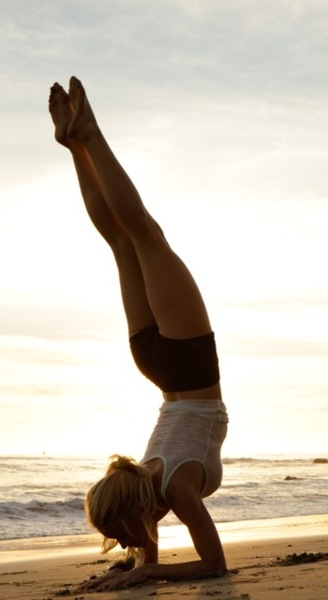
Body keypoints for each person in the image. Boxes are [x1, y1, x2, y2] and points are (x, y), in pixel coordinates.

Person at [48, 76, 229, 592]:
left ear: (131, 511)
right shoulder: (155, 485)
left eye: (119, 533)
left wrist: (146, 568)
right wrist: (132, 569)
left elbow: (214, 567)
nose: (128, 544)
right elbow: (181, 555)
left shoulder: (167, 488)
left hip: (186, 369)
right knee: (126, 240)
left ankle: (87, 135)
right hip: (155, 364)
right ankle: (75, 142)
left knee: (138, 237)